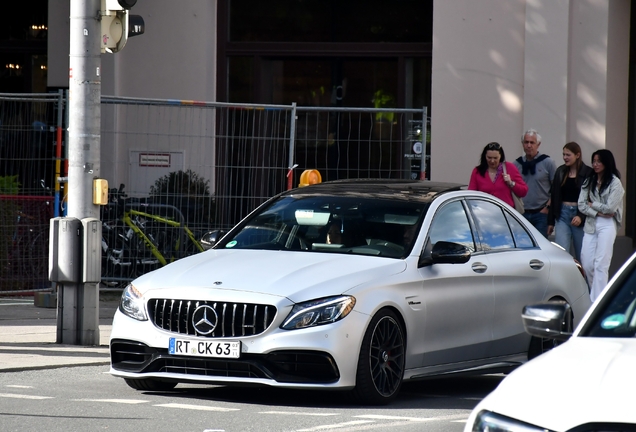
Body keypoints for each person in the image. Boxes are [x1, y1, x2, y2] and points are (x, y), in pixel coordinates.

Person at [578, 149, 624, 302]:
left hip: (607, 224)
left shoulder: (615, 182)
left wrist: (594, 205)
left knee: (601, 263)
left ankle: (597, 302)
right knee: (587, 262)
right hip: (592, 222)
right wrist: (597, 212)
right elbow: (581, 204)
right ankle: (597, 295)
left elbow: (611, 209)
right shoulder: (589, 180)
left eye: (599, 161)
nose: (595, 164)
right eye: (594, 161)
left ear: (606, 162)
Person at [547, 142, 593, 261]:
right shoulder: (561, 171)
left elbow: (591, 199)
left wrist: (581, 216)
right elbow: (555, 196)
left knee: (582, 254)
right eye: (563, 154)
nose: (565, 157)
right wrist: (551, 221)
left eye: (568, 155)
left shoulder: (588, 173)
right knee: (561, 253)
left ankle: (583, 280)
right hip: (562, 214)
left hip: (579, 215)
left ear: (577, 155)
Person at [514, 129, 556, 237]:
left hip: (541, 214)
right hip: (521, 213)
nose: (529, 145)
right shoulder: (516, 164)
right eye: (526, 142)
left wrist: (547, 208)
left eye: (532, 142)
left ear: (538, 144)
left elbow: (556, 189)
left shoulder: (548, 163)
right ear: (522, 144)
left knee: (541, 248)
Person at [468, 142, 528, 208]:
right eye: (489, 158)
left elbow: (523, 191)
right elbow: (471, 195)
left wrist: (511, 183)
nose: (492, 161)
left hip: (506, 213)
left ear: (500, 156)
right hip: (484, 213)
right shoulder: (477, 171)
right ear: (485, 156)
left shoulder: (510, 168)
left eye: (495, 158)